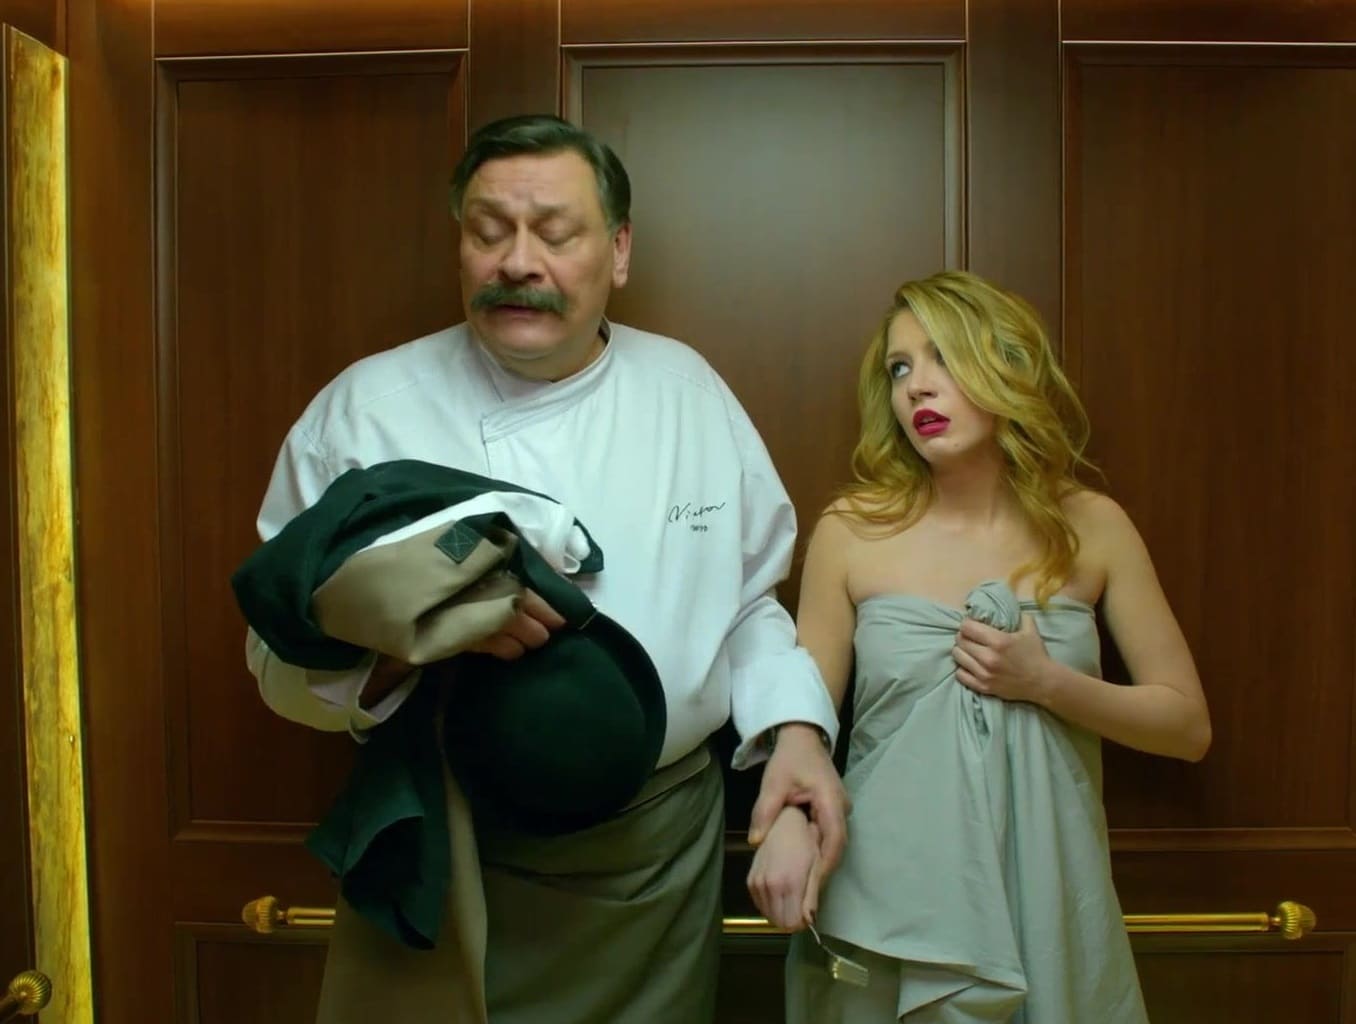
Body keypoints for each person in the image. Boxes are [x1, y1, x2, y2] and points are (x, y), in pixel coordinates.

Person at [243, 113, 848, 1024]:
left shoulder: (687, 394)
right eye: (488, 231)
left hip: (656, 857)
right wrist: (410, 647)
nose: (517, 262)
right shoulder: (363, 414)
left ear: (619, 250)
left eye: (556, 234)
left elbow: (746, 604)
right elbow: (275, 660)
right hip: (444, 838)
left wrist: (795, 733)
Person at [746, 270, 1211, 1022]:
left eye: (944, 357)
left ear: (1008, 366)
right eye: (900, 368)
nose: (917, 388)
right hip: (886, 899)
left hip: (1049, 897)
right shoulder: (851, 532)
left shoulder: (1094, 527)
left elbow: (1186, 727)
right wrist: (788, 824)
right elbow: (804, 728)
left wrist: (1047, 683)